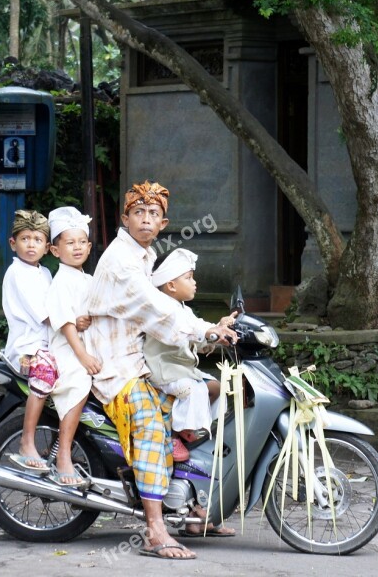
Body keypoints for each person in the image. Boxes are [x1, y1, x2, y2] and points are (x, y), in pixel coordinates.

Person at [86, 181, 236, 560]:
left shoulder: (145, 256)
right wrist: (205, 330)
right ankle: (154, 529)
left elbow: (167, 315)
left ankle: (196, 505)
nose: (146, 219)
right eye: (139, 212)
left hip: (140, 355)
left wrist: (210, 332)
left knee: (212, 388)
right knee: (152, 422)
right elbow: (156, 307)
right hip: (114, 362)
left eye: (153, 214)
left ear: (163, 222)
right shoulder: (122, 261)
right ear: (126, 218)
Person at [144, 248, 231, 462]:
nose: (194, 282)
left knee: (216, 387)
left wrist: (218, 328)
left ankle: (191, 428)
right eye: (188, 278)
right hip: (164, 370)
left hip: (181, 369)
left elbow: (197, 326)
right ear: (171, 285)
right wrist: (209, 332)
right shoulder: (162, 308)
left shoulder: (183, 308)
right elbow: (184, 328)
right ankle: (173, 434)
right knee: (195, 390)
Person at [40, 206, 101, 486]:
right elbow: (65, 324)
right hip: (68, 350)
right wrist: (84, 356)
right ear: (55, 250)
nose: (76, 248)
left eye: (81, 243)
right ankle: (64, 453)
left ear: (89, 246)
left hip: (83, 345)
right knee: (79, 382)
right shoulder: (62, 281)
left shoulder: (86, 279)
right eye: (69, 243)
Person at [0, 210, 58, 472]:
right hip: (26, 349)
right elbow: (47, 315)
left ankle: (59, 445)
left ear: (47, 247)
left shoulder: (44, 272)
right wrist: (77, 323)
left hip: (46, 345)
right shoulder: (17, 274)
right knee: (45, 373)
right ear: (13, 243)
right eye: (25, 238)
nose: (31, 244)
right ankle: (26, 440)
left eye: (37, 239)